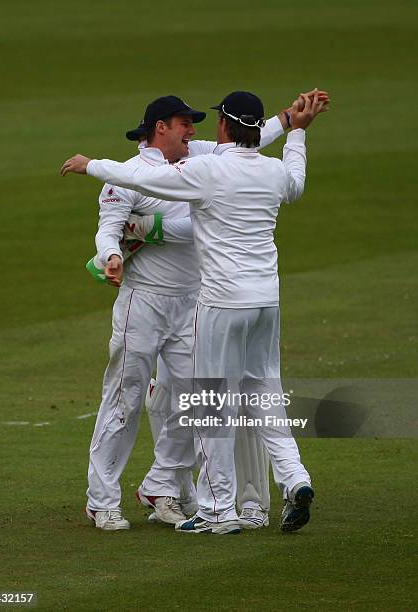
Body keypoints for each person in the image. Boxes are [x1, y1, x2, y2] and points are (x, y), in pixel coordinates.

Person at [61, 89, 326, 534]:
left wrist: (150, 228)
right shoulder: (129, 173)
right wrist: (111, 254)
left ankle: (162, 485)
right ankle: (102, 499)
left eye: (198, 123)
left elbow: (247, 145)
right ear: (160, 128)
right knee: (124, 400)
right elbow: (109, 229)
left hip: (198, 303)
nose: (194, 131)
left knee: (196, 402)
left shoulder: (200, 157)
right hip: (143, 303)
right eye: (185, 123)